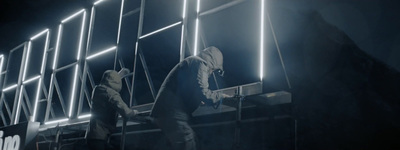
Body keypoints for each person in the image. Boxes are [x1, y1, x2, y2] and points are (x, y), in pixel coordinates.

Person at [150, 46, 232, 150]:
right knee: (187, 143)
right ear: (213, 63)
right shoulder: (201, 64)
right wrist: (221, 96)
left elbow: (190, 89)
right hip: (172, 113)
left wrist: (198, 100)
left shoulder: (192, 62)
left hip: (168, 112)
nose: (211, 74)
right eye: (214, 70)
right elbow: (203, 92)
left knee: (192, 142)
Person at [86, 68, 138, 150]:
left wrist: (118, 75)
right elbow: (126, 112)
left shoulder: (97, 90)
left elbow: (110, 80)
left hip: (92, 134)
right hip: (100, 136)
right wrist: (134, 112)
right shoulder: (111, 93)